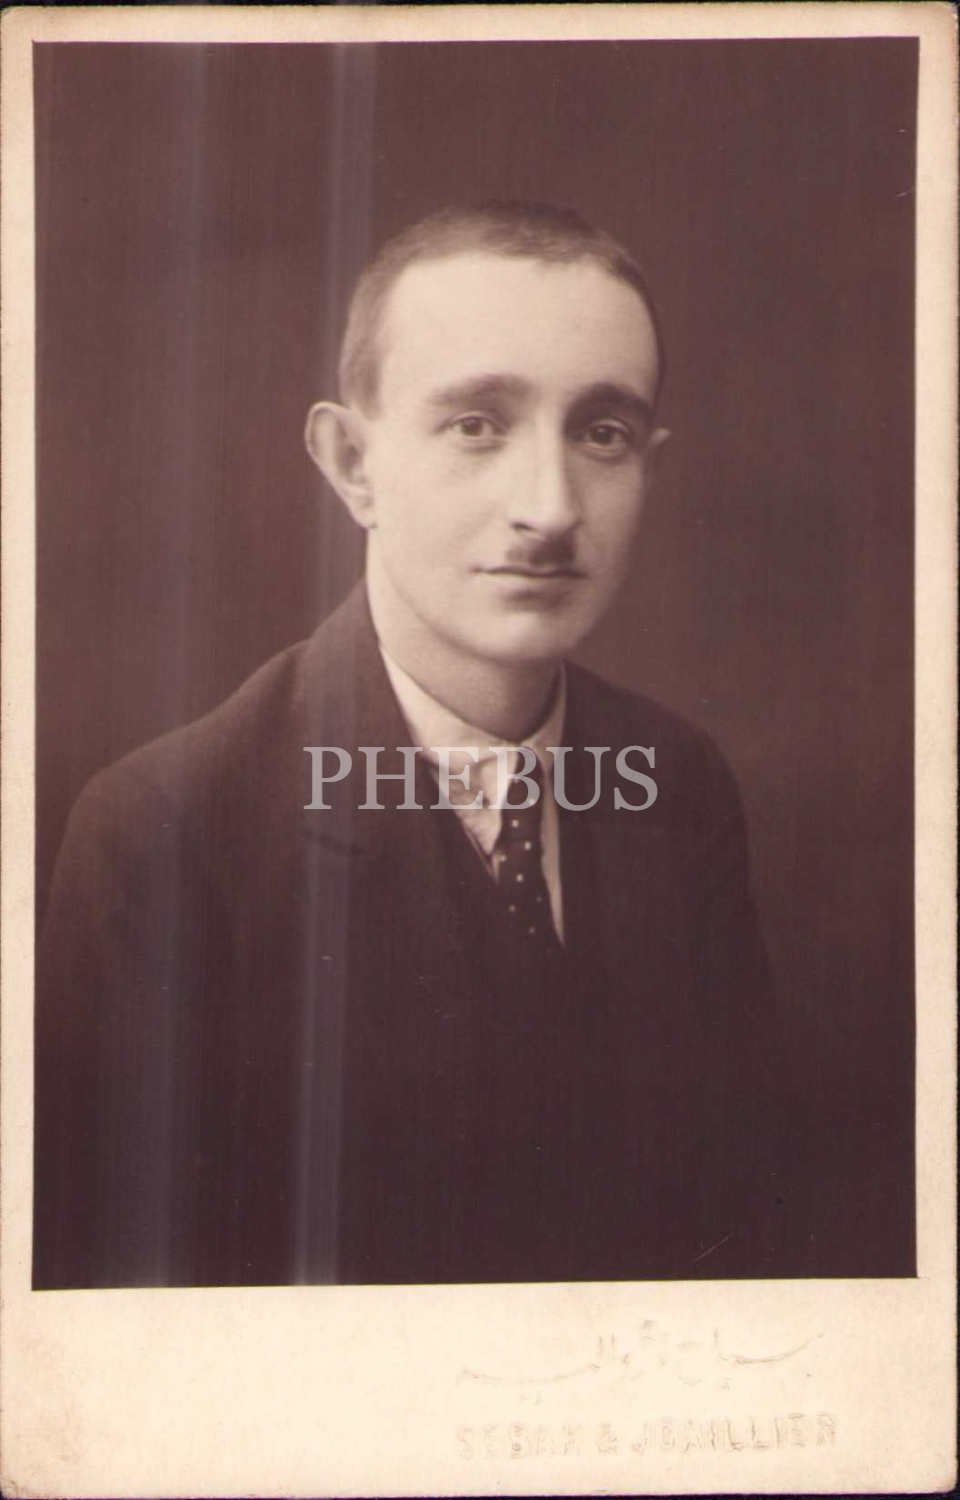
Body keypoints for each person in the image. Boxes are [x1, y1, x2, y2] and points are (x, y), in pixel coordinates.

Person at [34, 203, 792, 1289]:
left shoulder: (677, 786)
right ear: (353, 463)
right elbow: (132, 1324)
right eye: (478, 424)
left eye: (602, 433)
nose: (550, 508)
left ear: (649, 467)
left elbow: (749, 1239)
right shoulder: (161, 837)